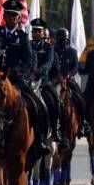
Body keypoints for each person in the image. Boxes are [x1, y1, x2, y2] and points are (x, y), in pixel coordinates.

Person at [0, 0, 51, 159]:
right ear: (4, 16)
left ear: (19, 19)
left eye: (15, 16)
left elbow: (27, 61)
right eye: (9, 15)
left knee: (36, 104)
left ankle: (39, 139)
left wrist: (16, 72)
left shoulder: (23, 37)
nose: (11, 18)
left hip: (15, 80)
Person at [30, 18, 67, 148]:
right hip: (28, 80)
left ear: (42, 33)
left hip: (43, 81)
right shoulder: (27, 45)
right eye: (34, 31)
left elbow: (50, 62)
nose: (36, 33)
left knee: (55, 101)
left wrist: (42, 70)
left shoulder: (48, 47)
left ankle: (56, 129)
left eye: (39, 31)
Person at [51, 27, 88, 138]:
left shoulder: (72, 52)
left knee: (80, 98)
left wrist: (68, 75)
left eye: (64, 40)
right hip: (55, 80)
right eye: (60, 39)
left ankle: (82, 123)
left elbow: (75, 67)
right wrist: (58, 76)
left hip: (69, 80)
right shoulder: (52, 50)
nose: (63, 42)